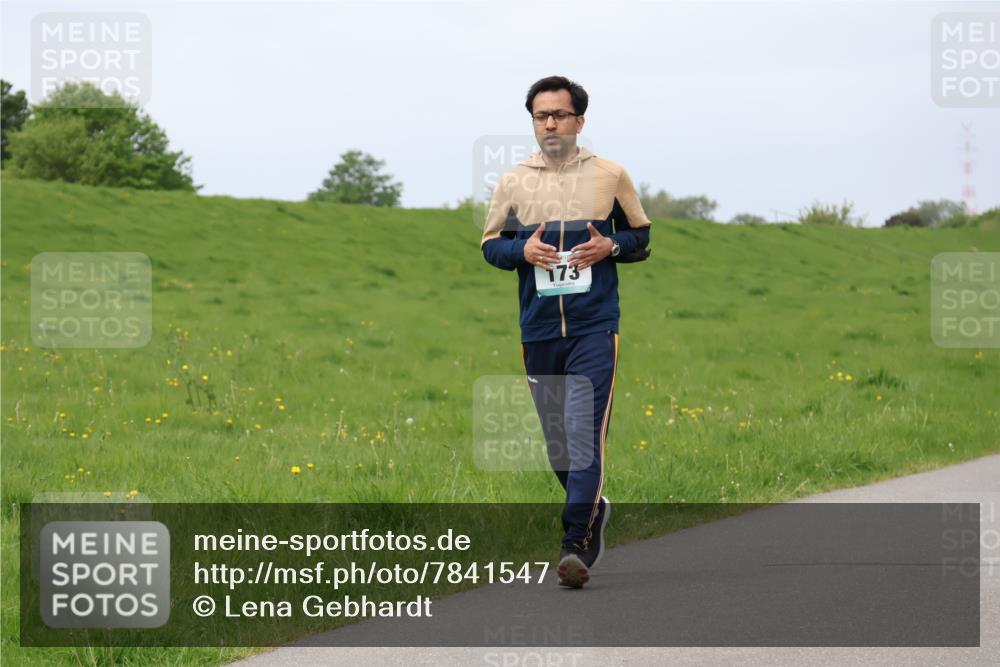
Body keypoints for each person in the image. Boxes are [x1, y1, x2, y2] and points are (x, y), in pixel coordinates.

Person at [479, 75, 652, 588]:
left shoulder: (610, 175)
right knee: (558, 444)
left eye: (558, 114)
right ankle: (596, 505)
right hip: (538, 331)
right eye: (540, 116)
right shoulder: (512, 182)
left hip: (594, 328)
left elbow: (641, 237)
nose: (549, 123)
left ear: (579, 120)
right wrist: (521, 251)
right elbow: (491, 245)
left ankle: (574, 540)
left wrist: (611, 247)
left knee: (584, 432)